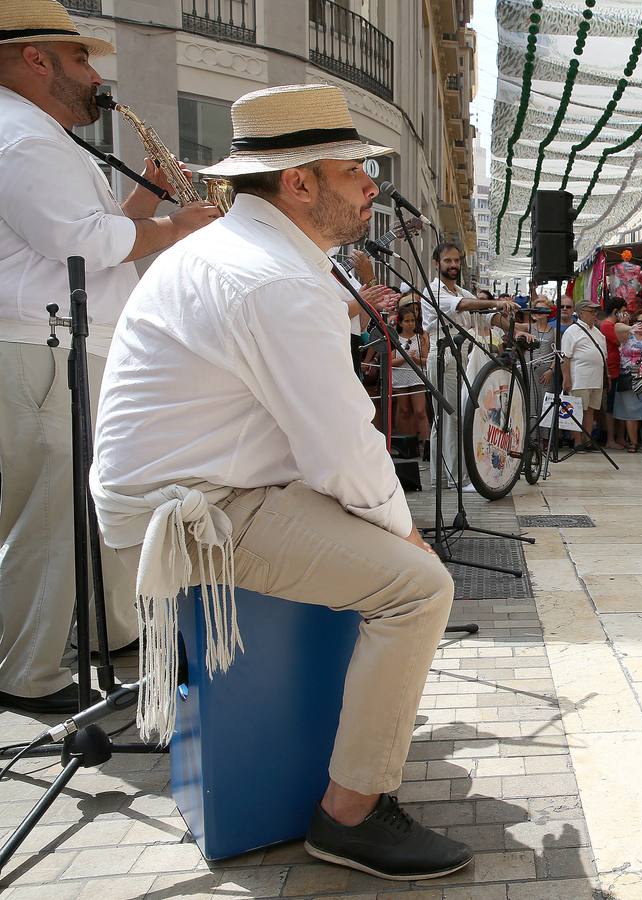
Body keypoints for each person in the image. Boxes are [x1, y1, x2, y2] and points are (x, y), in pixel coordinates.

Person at [90, 83, 471, 879]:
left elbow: (315, 440)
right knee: (418, 589)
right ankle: (347, 816)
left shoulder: (243, 253)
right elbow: (341, 448)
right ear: (299, 183)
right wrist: (408, 538)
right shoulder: (275, 278)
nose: (372, 185)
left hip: (192, 489)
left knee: (385, 545)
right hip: (194, 508)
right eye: (355, 170)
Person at [0, 4, 221, 714]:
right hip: (44, 346)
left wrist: (150, 195)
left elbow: (94, 232)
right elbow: (86, 246)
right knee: (52, 516)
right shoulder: (22, 138)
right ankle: (23, 672)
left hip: (65, 341)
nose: (95, 74)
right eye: (82, 59)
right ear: (37, 58)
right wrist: (179, 224)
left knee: (90, 505)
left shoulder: (43, 137)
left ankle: (115, 632)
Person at [423, 241, 514, 483]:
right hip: (442, 356)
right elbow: (465, 306)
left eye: (456, 260)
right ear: (436, 264)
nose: (453, 265)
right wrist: (495, 302)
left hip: (461, 356)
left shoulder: (461, 291)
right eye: (448, 261)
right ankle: (453, 477)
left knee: (452, 417)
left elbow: (486, 317)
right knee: (448, 417)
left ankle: (444, 476)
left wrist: (517, 330)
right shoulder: (433, 291)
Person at [560, 298, 608, 442]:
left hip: (596, 378)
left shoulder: (597, 332)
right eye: (591, 311)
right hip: (579, 378)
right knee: (577, 410)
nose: (595, 314)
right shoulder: (572, 332)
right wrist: (566, 378)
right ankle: (577, 442)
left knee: (590, 411)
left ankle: (587, 441)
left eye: (595, 311)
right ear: (581, 313)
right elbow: (565, 357)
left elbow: (603, 356)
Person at [389, 305, 430, 452]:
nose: (410, 323)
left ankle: (426, 444)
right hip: (400, 376)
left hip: (417, 375)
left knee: (420, 410)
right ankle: (408, 444)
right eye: (407, 321)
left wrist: (417, 360)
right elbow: (390, 361)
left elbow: (427, 359)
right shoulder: (394, 337)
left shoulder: (421, 336)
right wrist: (405, 358)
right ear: (400, 323)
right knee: (404, 410)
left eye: (413, 320)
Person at [612, 311, 642, 451]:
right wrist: (630, 327)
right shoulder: (627, 336)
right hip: (629, 376)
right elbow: (616, 327)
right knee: (631, 412)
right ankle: (633, 442)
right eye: (640, 321)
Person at [598, 300, 624, 447]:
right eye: (623, 310)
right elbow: (620, 341)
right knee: (609, 406)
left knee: (614, 405)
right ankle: (610, 439)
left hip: (615, 369)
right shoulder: (607, 326)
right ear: (616, 311)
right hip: (610, 370)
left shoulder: (611, 325)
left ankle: (617, 437)